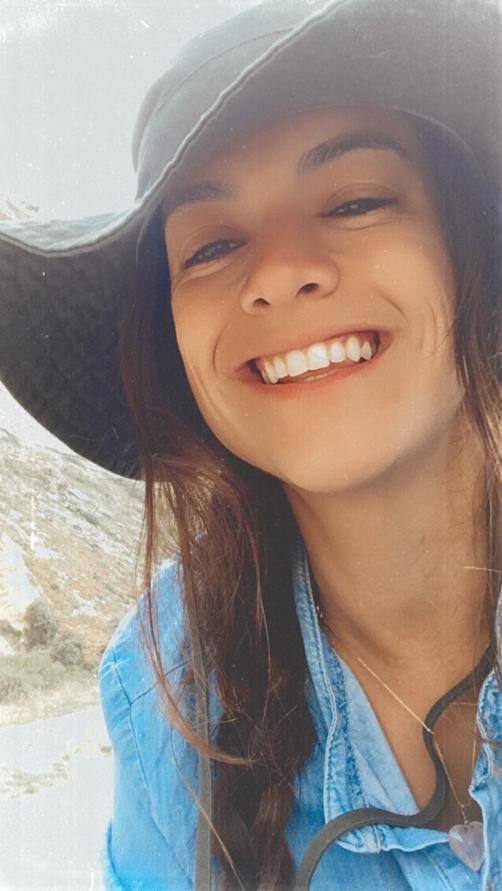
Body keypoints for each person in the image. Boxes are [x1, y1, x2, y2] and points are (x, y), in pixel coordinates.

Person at [0, 0, 500, 888]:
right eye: (213, 246)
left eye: (355, 200)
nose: (276, 273)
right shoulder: (165, 691)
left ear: (470, 250)